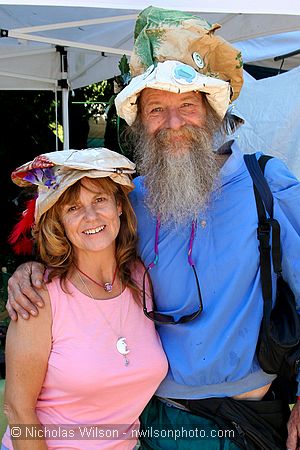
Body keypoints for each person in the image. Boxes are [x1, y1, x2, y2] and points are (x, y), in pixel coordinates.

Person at [6, 6, 300, 450]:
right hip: (151, 420)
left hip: (248, 418)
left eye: (187, 105)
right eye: (157, 109)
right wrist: (30, 271)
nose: (174, 122)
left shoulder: (267, 184)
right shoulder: (129, 201)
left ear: (212, 112)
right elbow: (86, 261)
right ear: (140, 122)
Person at [2, 147, 168, 450]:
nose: (90, 216)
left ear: (119, 206)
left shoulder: (142, 277)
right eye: (73, 208)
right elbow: (18, 410)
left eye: (99, 199)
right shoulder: (39, 297)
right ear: (59, 222)